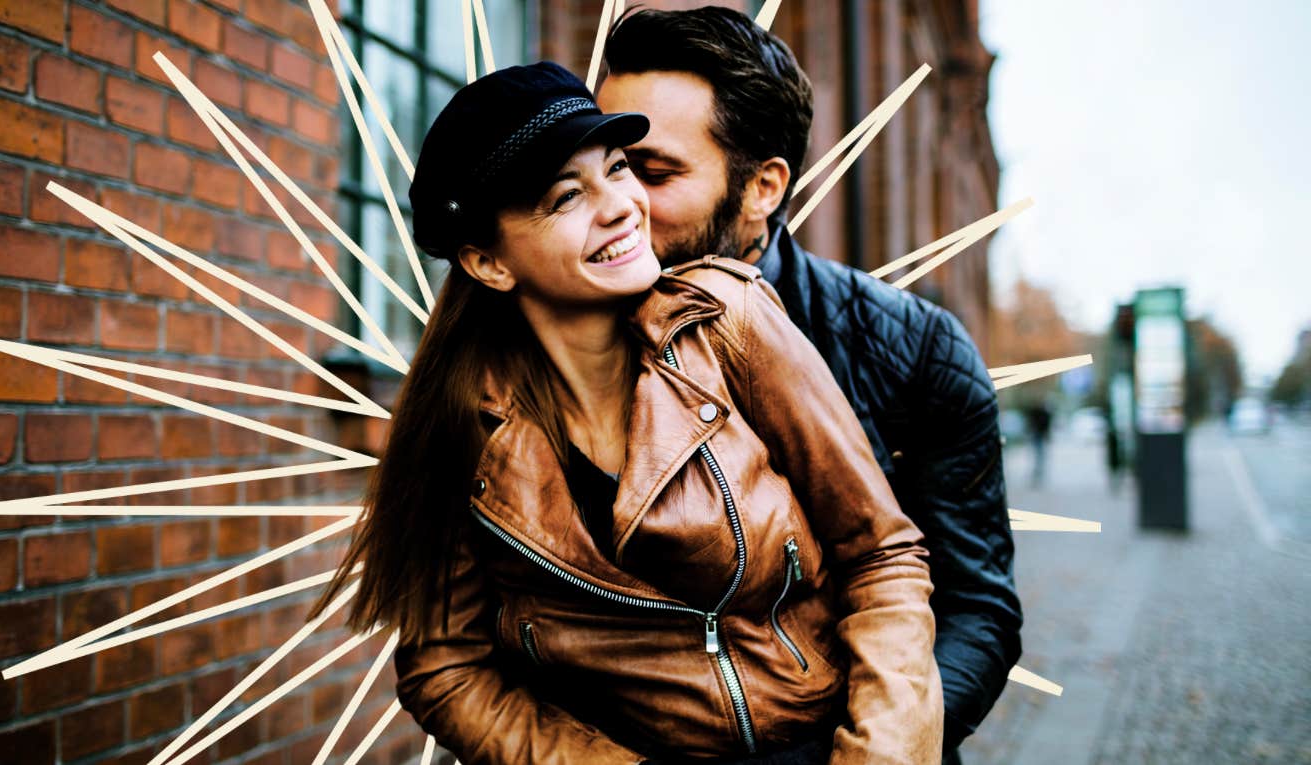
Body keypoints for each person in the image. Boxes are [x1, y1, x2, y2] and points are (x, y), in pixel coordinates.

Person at [308, 61, 943, 764]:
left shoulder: (724, 319)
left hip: (819, 743)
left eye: (618, 167)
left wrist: (878, 753)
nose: (619, 204)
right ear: (489, 261)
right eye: (566, 196)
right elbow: (443, 667)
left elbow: (881, 554)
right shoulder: (467, 428)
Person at [597, 8, 1023, 763]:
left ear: (762, 187)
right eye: (607, 163)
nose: (618, 202)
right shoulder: (557, 341)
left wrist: (862, 747)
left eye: (653, 172)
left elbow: (976, 609)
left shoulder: (916, 352)